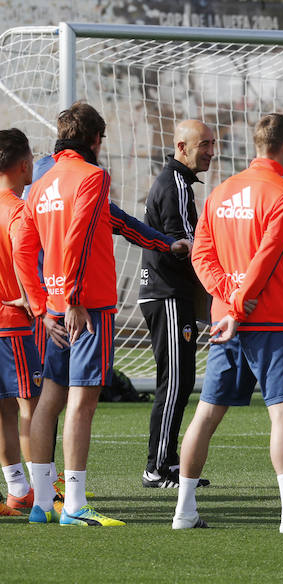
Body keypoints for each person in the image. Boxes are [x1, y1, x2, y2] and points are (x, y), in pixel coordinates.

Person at [14, 102, 189, 526]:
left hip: (53, 309)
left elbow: (24, 246)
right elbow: (78, 236)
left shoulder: (40, 183)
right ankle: (74, 505)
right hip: (87, 307)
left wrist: (42, 306)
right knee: (82, 403)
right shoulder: (92, 177)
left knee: (49, 400)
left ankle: (41, 503)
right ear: (95, 139)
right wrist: (74, 297)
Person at [173, 113, 283, 533]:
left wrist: (227, 301)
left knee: (207, 414)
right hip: (266, 320)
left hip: (225, 320)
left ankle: (183, 511)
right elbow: (265, 261)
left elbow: (200, 256)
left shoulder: (220, 191)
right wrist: (239, 307)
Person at [139, 120, 215, 489]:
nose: (211, 151)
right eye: (204, 144)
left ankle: (167, 463)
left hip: (170, 293)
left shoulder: (180, 184)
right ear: (181, 147)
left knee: (181, 380)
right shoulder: (176, 186)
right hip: (166, 293)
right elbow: (181, 245)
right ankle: (156, 467)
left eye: (212, 144)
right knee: (174, 382)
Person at [0, 128, 39, 516]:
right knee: (32, 408)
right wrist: (31, 299)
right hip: (12, 325)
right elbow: (24, 263)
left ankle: (17, 491)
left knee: (4, 411)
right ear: (25, 164)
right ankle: (46, 493)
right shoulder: (17, 209)